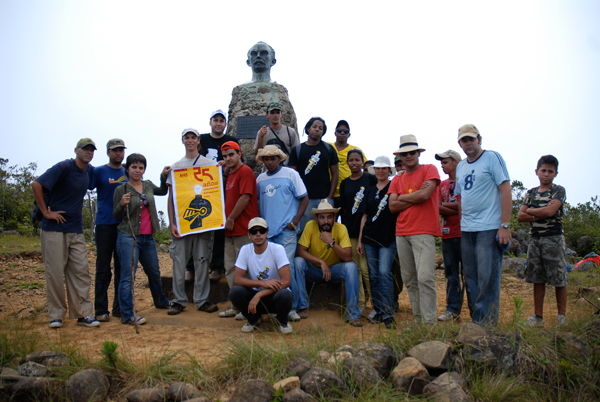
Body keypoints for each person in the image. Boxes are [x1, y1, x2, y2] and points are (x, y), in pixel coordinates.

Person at [31, 138, 100, 328]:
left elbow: (106, 173)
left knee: (80, 272)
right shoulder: (64, 167)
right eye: (85, 149)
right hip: (53, 229)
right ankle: (56, 315)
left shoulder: (89, 171)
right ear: (76, 150)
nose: (89, 152)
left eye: (91, 150)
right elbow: (36, 184)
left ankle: (83, 314)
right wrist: (46, 212)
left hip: (75, 229)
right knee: (54, 272)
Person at [455, 124, 512, 326]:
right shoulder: (461, 166)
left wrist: (504, 225)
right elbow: (460, 198)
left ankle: (487, 324)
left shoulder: (492, 158)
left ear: (479, 139)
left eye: (471, 139)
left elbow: (506, 189)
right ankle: (477, 320)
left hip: (489, 226)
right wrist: (462, 224)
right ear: (459, 143)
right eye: (464, 140)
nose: (468, 143)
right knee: (470, 276)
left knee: (488, 276)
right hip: (467, 228)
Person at [113, 154, 172, 325]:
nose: (137, 170)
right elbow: (116, 215)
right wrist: (122, 205)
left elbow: (162, 191)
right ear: (127, 169)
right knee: (127, 277)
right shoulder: (121, 190)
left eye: (140, 167)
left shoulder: (147, 186)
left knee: (154, 273)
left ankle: (161, 301)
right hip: (128, 237)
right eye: (134, 167)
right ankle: (127, 314)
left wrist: (163, 176)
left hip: (149, 238)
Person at [389, 135, 441, 325]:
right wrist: (416, 195)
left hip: (424, 230)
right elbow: (391, 207)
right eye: (405, 153)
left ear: (418, 153)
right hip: (402, 232)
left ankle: (429, 324)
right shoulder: (397, 179)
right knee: (410, 279)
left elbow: (426, 195)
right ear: (400, 156)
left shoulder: (430, 169)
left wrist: (401, 197)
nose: (409, 156)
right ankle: (418, 321)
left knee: (425, 277)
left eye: (412, 152)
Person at [167, 128, 219, 315]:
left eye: (193, 137)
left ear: (198, 140)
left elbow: (215, 194)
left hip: (204, 223)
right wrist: (172, 223)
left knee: (202, 260)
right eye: (186, 138)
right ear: (183, 141)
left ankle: (201, 299)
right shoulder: (176, 166)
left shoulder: (209, 164)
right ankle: (179, 300)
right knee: (179, 261)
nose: (190, 140)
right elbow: (172, 198)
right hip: (182, 224)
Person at [256, 145, 309, 321]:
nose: (269, 162)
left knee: (287, 268)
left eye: (273, 158)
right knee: (271, 270)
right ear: (262, 160)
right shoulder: (260, 179)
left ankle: (291, 308)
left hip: (286, 232)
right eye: (266, 159)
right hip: (267, 234)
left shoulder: (290, 174)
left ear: (279, 158)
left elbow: (304, 198)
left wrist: (294, 223)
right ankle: (276, 306)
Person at [294, 199, 362, 327]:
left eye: (329, 217)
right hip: (314, 270)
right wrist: (321, 262)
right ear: (316, 219)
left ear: (334, 218)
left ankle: (353, 314)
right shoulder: (310, 226)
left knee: (351, 267)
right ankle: (303, 307)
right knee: (298, 262)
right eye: (322, 217)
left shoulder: (341, 228)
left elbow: (348, 257)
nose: (326, 221)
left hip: (333, 270)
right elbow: (300, 251)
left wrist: (331, 243)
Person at [517, 155, 567, 327]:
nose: (546, 174)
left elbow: (550, 212)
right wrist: (542, 210)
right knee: (537, 278)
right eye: (543, 170)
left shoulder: (558, 191)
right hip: (535, 239)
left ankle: (562, 317)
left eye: (550, 171)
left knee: (558, 277)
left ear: (556, 173)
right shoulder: (530, 193)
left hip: (553, 239)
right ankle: (538, 317)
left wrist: (532, 210)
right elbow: (520, 217)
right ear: (537, 171)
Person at [229, 217, 294, 334]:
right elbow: (237, 279)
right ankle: (254, 319)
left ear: (267, 233)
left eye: (262, 231)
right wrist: (261, 284)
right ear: (249, 235)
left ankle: (282, 321)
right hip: (256, 297)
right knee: (235, 292)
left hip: (274, 296)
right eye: (254, 232)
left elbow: (286, 281)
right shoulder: (245, 250)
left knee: (285, 294)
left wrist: (260, 294)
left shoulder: (277, 249)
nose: (258, 234)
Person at [357, 156, 399, 329]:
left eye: (384, 168)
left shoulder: (394, 187)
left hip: (388, 237)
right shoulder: (370, 190)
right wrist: (360, 240)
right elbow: (364, 216)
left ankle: (389, 313)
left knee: (384, 272)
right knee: (373, 275)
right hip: (369, 237)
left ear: (389, 170)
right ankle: (379, 310)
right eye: (378, 168)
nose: (381, 171)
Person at [218, 141, 259, 317]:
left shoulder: (245, 172)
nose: (228, 158)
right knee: (230, 269)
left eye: (231, 155)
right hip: (230, 230)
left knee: (246, 270)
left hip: (242, 228)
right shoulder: (231, 174)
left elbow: (245, 197)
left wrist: (231, 218)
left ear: (239, 154)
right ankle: (238, 304)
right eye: (225, 156)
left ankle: (249, 307)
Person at [198, 109, 239, 283]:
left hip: (225, 189)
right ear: (210, 122)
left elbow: (237, 164)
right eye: (215, 120)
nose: (218, 123)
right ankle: (193, 267)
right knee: (200, 228)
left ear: (226, 124)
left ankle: (216, 267)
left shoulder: (232, 141)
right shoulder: (202, 140)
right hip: (204, 189)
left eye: (222, 120)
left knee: (221, 231)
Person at [90, 138, 128, 322]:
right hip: (105, 225)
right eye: (115, 150)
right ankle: (100, 309)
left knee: (122, 269)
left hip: (123, 226)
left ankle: (119, 309)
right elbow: (85, 185)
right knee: (103, 269)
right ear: (108, 152)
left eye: (121, 150)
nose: (118, 153)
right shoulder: (99, 172)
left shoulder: (127, 171)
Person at [338, 149, 376, 315]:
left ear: (362, 161)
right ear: (347, 163)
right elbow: (344, 208)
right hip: (350, 230)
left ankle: (376, 304)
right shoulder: (345, 183)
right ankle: (360, 303)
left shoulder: (370, 179)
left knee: (367, 269)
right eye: (351, 160)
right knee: (356, 269)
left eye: (357, 160)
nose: (354, 163)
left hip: (367, 230)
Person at [288, 117, 339, 231]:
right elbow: (292, 175)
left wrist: (330, 196)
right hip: (305, 200)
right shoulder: (298, 149)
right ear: (308, 128)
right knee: (306, 232)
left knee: (327, 231)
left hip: (325, 199)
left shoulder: (329, 149)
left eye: (321, 128)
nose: (317, 130)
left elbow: (335, 173)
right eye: (314, 127)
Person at [435, 150, 463, 322]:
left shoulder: (465, 182)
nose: (442, 165)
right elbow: (437, 207)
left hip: (464, 232)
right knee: (451, 274)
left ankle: (475, 310)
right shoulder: (441, 185)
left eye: (445, 162)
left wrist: (449, 206)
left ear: (456, 162)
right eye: (441, 162)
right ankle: (452, 309)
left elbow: (466, 205)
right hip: (447, 234)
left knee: (468, 274)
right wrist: (456, 206)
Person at [329, 120, 367, 208]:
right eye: (339, 130)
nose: (342, 133)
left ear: (349, 135)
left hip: (349, 192)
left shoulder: (355, 150)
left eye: (345, 131)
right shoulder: (328, 147)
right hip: (329, 192)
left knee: (347, 220)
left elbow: (367, 167)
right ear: (335, 133)